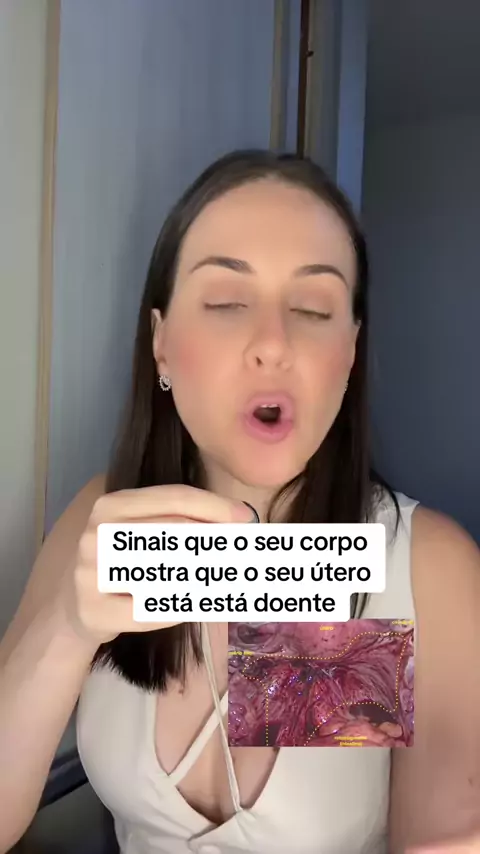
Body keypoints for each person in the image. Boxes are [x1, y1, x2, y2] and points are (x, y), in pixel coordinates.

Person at [0, 150, 479, 854]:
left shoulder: (421, 564)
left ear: (350, 351)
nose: (272, 344)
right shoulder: (103, 518)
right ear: (162, 345)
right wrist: (65, 630)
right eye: (226, 303)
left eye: (312, 309)